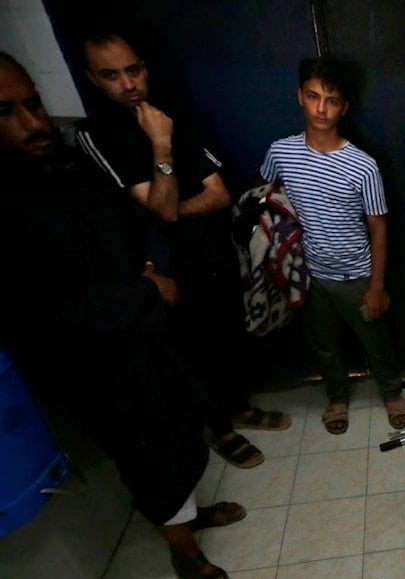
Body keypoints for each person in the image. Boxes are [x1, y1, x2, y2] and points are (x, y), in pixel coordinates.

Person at [0, 52, 241, 579]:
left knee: (180, 428)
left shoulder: (67, 164)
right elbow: (50, 307)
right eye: (6, 112)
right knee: (147, 452)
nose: (32, 123)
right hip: (95, 361)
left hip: (146, 325)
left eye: (33, 104)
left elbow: (144, 222)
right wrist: (146, 290)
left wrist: (153, 267)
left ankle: (189, 516)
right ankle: (183, 550)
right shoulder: (10, 201)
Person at [76, 33, 290, 468]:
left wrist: (170, 205)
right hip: (164, 267)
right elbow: (162, 209)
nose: (128, 84)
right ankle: (219, 428)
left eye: (133, 70)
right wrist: (160, 145)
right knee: (190, 350)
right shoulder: (97, 134)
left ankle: (239, 407)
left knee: (229, 336)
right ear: (93, 80)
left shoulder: (171, 116)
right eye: (111, 75)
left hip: (212, 252)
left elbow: (217, 195)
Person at [259, 56, 405, 435]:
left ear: (344, 106)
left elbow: (378, 227)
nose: (321, 109)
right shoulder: (281, 152)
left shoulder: (363, 166)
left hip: (357, 273)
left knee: (375, 341)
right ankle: (337, 397)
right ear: (300, 97)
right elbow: (266, 200)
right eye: (313, 97)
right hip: (309, 274)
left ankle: (391, 391)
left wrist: (377, 286)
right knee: (323, 344)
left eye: (332, 100)